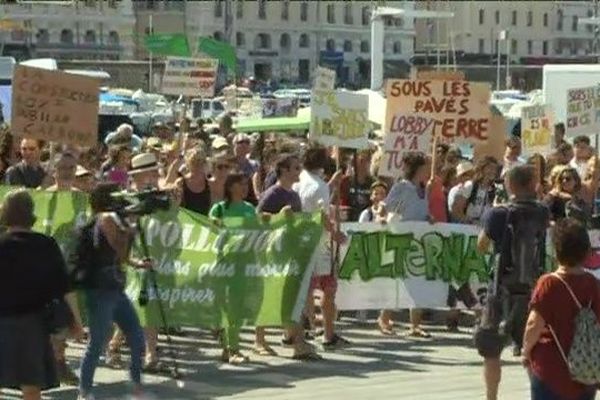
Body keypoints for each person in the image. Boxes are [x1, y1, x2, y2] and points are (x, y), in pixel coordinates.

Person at [475, 164, 550, 400]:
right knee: (532, 350)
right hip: (532, 289)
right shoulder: (543, 212)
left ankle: (491, 397)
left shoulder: (499, 213)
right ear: (533, 184)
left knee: (491, 349)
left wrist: (494, 212)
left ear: (510, 185)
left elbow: (482, 246)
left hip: (501, 288)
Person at [75, 183, 149, 400]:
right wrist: (130, 228)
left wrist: (138, 264)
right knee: (97, 343)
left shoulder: (117, 221)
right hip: (100, 291)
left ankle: (136, 388)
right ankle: (84, 392)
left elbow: (122, 258)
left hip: (116, 289)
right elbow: (118, 248)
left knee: (137, 339)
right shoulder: (105, 219)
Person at [0, 190, 71, 400]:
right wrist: (74, 321)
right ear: (31, 213)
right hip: (34, 324)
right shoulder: (46, 244)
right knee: (31, 386)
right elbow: (64, 286)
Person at [522, 218, 599, 400]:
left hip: (550, 369)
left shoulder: (548, 283)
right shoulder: (594, 285)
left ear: (556, 251)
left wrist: (526, 352)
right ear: (587, 252)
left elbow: (534, 324)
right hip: (586, 372)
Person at [257, 153, 321, 360]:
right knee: (268, 295)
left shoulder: (294, 195)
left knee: (289, 297)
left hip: (289, 252)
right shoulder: (272, 194)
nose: (298, 172)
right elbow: (258, 220)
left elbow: (297, 222)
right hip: (271, 252)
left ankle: (296, 340)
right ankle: (260, 340)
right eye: (295, 168)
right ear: (284, 171)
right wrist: (278, 217)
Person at [292, 145, 348, 350]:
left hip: (301, 240)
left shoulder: (299, 181)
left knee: (303, 288)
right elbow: (322, 215)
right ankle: (328, 333)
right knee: (328, 288)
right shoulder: (318, 185)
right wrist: (335, 233)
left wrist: (332, 185)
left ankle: (298, 330)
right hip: (320, 243)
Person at [209, 172, 261, 364]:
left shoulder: (249, 209)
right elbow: (208, 229)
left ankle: (234, 349)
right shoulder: (219, 209)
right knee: (223, 306)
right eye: (241, 184)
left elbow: (258, 231)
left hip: (243, 263)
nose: (245, 187)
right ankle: (227, 346)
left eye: (247, 184)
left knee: (236, 306)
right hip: (223, 263)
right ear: (231, 187)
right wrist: (214, 224)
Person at [384, 151, 434, 338]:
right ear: (417, 168)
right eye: (425, 167)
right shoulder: (402, 187)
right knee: (398, 280)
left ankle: (415, 325)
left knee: (416, 281)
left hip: (418, 239)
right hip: (401, 238)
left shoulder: (423, 188)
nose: (428, 170)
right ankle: (384, 317)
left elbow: (422, 211)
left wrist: (428, 217)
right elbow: (387, 206)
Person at [450, 156, 499, 225]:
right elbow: (456, 210)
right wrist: (470, 221)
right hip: (467, 227)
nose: (493, 171)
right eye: (490, 168)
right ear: (482, 169)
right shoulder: (470, 186)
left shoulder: (492, 190)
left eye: (495, 169)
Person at [339, 149, 375, 222]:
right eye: (368, 160)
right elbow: (340, 203)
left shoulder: (373, 183)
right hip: (349, 224)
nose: (370, 164)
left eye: (369, 160)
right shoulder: (345, 182)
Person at [175, 148, 212, 215]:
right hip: (185, 222)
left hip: (205, 222)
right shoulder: (181, 183)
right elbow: (176, 206)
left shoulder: (210, 183)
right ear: (188, 164)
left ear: (204, 163)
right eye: (194, 162)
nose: (197, 165)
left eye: (201, 162)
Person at [232, 133, 259, 203]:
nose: (243, 144)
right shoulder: (227, 164)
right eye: (240, 142)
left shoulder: (255, 165)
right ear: (234, 146)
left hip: (250, 199)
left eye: (247, 142)